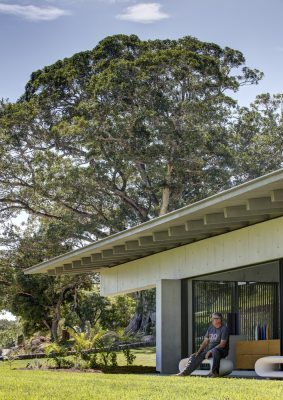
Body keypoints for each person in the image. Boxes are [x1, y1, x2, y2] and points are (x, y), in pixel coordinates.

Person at [177, 312, 229, 378]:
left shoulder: (224, 329)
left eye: (214, 318)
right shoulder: (210, 328)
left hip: (221, 350)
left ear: (219, 319)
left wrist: (210, 351)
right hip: (209, 350)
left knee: (215, 351)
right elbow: (205, 342)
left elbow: (222, 344)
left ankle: (215, 373)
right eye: (212, 318)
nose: (212, 320)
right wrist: (198, 352)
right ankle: (184, 373)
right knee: (194, 356)